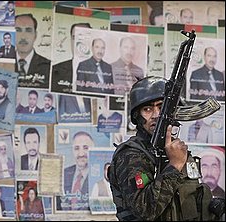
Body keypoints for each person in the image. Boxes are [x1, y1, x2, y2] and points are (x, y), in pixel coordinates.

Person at [108, 76, 217, 220]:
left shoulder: (175, 150)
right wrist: (175, 165)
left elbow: (185, 200)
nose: (156, 115)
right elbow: (146, 210)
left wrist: (213, 206)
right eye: (147, 109)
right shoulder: (131, 155)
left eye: (161, 107)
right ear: (137, 116)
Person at [57, 131, 93, 211]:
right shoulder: (63, 174)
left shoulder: (98, 176)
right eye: (77, 148)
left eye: (85, 148)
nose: (81, 154)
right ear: (72, 150)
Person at [51, 22, 92, 93]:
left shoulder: (103, 72)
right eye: (75, 37)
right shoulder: (55, 70)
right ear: (71, 40)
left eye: (85, 37)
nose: (79, 42)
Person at [15, 13, 51, 88]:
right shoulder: (3, 63)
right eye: (18, 30)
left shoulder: (49, 67)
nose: (23, 37)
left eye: (28, 30)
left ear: (35, 35)